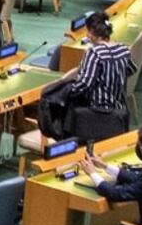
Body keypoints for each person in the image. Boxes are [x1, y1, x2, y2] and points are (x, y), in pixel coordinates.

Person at [32, 13, 134, 144]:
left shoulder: (94, 53)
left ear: (91, 32)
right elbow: (131, 70)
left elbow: (84, 85)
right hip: (120, 109)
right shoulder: (123, 49)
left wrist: (64, 92)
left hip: (97, 111)